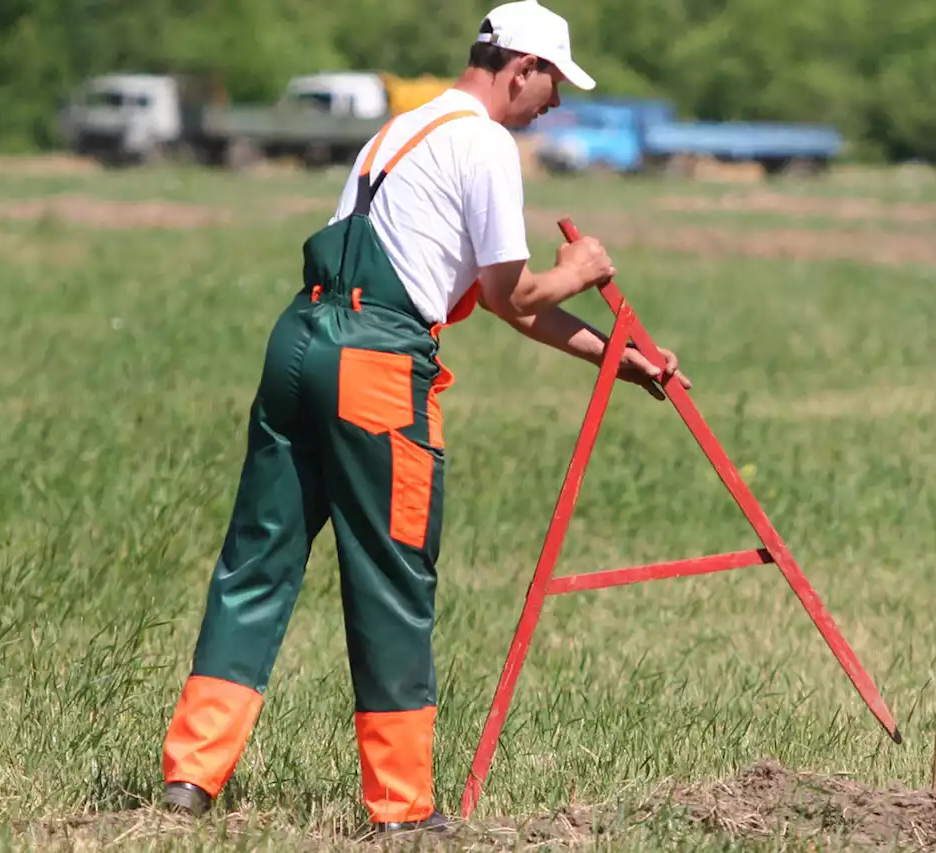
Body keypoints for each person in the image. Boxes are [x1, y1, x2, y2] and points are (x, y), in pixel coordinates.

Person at [158, 0, 691, 835]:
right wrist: (581, 270)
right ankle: (402, 811)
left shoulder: (407, 129)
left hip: (298, 342)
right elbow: (514, 295)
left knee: (257, 562)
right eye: (551, 86)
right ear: (521, 68)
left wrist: (618, 360)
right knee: (394, 577)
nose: (552, 105)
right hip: (375, 365)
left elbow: (491, 297)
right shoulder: (484, 142)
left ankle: (190, 776)